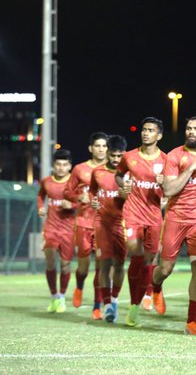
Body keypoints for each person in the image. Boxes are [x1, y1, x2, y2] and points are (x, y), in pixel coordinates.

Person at [151, 116, 196, 336]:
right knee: (165, 269)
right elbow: (169, 190)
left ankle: (192, 321)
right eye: (188, 128)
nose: (191, 132)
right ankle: (155, 286)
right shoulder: (174, 155)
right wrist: (190, 168)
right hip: (175, 218)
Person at [115, 117, 167, 326]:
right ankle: (134, 306)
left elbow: (173, 186)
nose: (146, 133)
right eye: (144, 130)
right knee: (135, 255)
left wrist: (166, 188)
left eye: (151, 130)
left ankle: (147, 294)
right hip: (132, 214)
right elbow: (119, 175)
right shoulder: (129, 157)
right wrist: (123, 185)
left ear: (159, 135)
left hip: (154, 216)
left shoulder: (166, 160)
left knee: (147, 262)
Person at [63, 131, 108, 319]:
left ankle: (97, 306)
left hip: (103, 225)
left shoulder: (112, 170)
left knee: (100, 266)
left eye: (104, 146)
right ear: (91, 148)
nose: (101, 149)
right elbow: (67, 192)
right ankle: (79, 285)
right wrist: (77, 197)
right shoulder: (80, 169)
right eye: (97, 145)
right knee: (83, 267)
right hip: (83, 222)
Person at [89, 135, 128, 323]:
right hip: (102, 224)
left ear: (124, 155)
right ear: (107, 153)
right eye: (113, 155)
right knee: (104, 264)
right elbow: (91, 191)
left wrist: (128, 195)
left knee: (119, 265)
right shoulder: (97, 172)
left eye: (120, 156)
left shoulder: (130, 174)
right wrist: (93, 201)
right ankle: (106, 305)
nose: (115, 159)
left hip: (123, 224)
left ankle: (114, 300)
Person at [38, 149, 76, 313]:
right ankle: (54, 296)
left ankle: (62, 296)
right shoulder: (46, 181)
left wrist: (72, 205)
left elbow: (84, 203)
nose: (61, 168)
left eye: (64, 165)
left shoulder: (74, 183)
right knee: (50, 260)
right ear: (53, 165)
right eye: (58, 164)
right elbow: (40, 196)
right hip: (51, 228)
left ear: (70, 166)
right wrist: (40, 207)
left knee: (65, 266)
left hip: (68, 230)